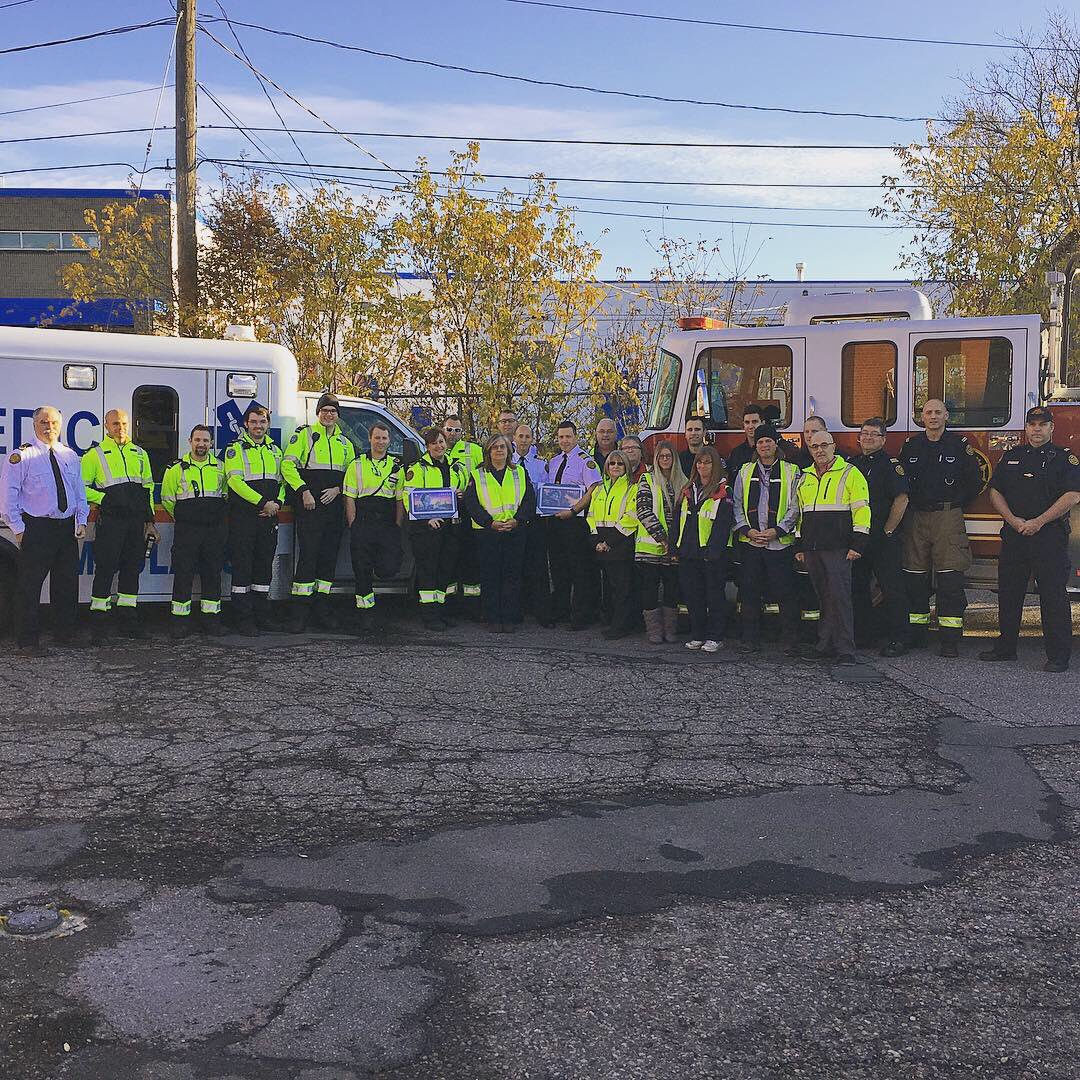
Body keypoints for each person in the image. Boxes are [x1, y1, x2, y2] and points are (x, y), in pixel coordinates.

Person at [980, 406, 1080, 672]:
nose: (1036, 429)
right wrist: (1013, 521)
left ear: (1051, 428)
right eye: (1032, 424)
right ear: (1026, 428)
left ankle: (1058, 656)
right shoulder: (1012, 456)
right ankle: (1005, 648)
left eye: (1042, 424)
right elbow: (995, 492)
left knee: (1053, 596)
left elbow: (1072, 495)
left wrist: (1039, 522)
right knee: (1009, 593)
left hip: (1049, 535)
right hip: (1016, 534)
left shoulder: (1064, 459)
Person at [2, 405, 88, 656]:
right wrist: (18, 529)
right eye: (44, 423)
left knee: (66, 584)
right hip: (37, 528)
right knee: (29, 587)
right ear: (34, 425)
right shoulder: (21, 456)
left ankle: (65, 634)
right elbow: (8, 497)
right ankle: (28, 642)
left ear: (60, 425)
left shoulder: (69, 455)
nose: (49, 427)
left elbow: (78, 491)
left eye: (53, 423)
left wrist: (80, 520)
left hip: (65, 528)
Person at [900, 398, 983, 657]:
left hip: (947, 516)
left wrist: (956, 503)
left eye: (938, 412)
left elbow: (974, 481)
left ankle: (950, 640)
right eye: (928, 413)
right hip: (916, 517)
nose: (933, 416)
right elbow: (901, 481)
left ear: (947, 416)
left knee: (950, 579)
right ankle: (917, 635)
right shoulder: (911, 446)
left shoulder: (959, 446)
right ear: (921, 417)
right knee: (914, 578)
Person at [794, 428, 871, 665]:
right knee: (823, 598)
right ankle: (824, 644)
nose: (820, 450)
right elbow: (800, 515)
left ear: (833, 446)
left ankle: (846, 649)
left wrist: (858, 543)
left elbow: (862, 510)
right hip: (812, 549)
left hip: (839, 547)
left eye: (824, 445)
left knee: (840, 598)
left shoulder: (851, 473)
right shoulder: (805, 477)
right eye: (814, 447)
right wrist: (799, 545)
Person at [282, 392, 357, 632]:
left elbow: (353, 476)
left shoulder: (345, 443)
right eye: (324, 410)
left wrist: (338, 489)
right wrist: (303, 490)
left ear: (338, 415)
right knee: (308, 558)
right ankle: (299, 614)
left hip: (334, 509)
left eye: (333, 411)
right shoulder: (305, 435)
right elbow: (287, 465)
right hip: (310, 507)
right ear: (318, 413)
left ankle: (322, 609)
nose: (328, 414)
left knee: (328, 560)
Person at [81, 407, 157, 638]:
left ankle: (128, 622)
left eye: (124, 424)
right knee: (105, 570)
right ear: (106, 426)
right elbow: (81, 489)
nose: (120, 428)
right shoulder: (94, 455)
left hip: (135, 523)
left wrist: (150, 521)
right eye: (115, 424)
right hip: (111, 522)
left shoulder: (140, 454)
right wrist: (105, 499)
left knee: (131, 571)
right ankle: (99, 625)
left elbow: (148, 488)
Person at [732, 425, 800, 651]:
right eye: (760, 442)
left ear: (776, 444)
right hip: (752, 543)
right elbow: (737, 504)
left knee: (785, 593)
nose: (764, 445)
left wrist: (777, 530)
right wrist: (747, 530)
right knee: (750, 593)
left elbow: (795, 506)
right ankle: (750, 639)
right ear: (756, 445)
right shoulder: (745, 471)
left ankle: (789, 640)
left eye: (769, 441)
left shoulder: (791, 471)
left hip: (778, 543)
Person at [849, 417, 910, 656]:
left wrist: (888, 530)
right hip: (858, 538)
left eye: (874, 434)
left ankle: (899, 639)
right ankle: (863, 635)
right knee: (858, 587)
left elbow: (901, 498)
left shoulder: (891, 465)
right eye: (864, 433)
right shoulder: (852, 465)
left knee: (891, 588)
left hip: (882, 536)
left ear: (883, 440)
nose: (868, 438)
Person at [224, 402, 285, 636]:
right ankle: (243, 618)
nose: (258, 426)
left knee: (263, 568)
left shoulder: (275, 451)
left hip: (268, 518)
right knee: (242, 569)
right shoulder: (235, 450)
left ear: (268, 424)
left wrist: (276, 504)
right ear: (246, 424)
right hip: (244, 518)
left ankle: (262, 615)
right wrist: (263, 503)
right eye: (253, 422)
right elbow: (235, 482)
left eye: (262, 422)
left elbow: (281, 482)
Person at [465, 434, 536, 632]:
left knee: (512, 576)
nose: (499, 450)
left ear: (508, 451)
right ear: (488, 451)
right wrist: (490, 523)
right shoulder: (477, 474)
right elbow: (471, 503)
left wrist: (518, 521)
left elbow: (530, 500)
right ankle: (493, 618)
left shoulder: (520, 472)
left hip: (514, 531)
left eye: (502, 447)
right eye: (494, 447)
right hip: (488, 533)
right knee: (490, 576)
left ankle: (510, 618)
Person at [161, 425, 227, 638]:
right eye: (197, 440)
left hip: (213, 531)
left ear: (211, 443)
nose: (201, 444)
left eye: (206, 441)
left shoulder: (220, 467)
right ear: (190, 441)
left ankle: (211, 622)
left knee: (212, 574)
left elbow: (225, 496)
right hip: (187, 531)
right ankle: (179, 623)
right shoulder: (175, 469)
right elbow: (167, 499)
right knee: (183, 575)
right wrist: (186, 517)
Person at [402, 427, 469, 627]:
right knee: (428, 571)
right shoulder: (418, 468)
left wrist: (461, 494)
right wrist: (426, 519)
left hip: (451, 527)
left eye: (441, 442)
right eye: (434, 443)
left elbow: (465, 491)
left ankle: (440, 611)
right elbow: (409, 498)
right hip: (426, 529)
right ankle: (429, 615)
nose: (439, 446)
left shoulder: (457, 467)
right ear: (427, 446)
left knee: (445, 570)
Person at [342, 421, 404, 634]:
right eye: (376, 437)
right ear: (369, 439)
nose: (380, 441)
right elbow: (349, 497)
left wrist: (397, 525)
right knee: (362, 570)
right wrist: (353, 524)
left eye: (384, 438)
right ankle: (365, 614)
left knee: (389, 568)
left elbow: (399, 501)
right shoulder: (356, 464)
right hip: (363, 523)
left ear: (389, 441)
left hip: (387, 524)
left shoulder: (397, 466)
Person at [676, 446, 733, 653]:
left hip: (712, 554)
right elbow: (679, 520)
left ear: (715, 464)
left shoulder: (723, 490)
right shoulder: (688, 489)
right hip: (689, 552)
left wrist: (713, 550)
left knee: (714, 596)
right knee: (693, 596)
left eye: (707, 462)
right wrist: (677, 546)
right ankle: (698, 634)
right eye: (699, 462)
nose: (702, 466)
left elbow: (724, 523)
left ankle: (715, 636)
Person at [546, 420, 602, 629]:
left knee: (579, 570)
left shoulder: (585, 461)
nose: (564, 440)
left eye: (568, 436)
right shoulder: (553, 461)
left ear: (576, 437)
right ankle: (561, 610)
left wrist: (574, 510)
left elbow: (594, 489)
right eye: (561, 437)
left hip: (575, 522)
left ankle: (581, 616)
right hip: (555, 522)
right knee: (559, 569)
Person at [635, 439, 687, 645]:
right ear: (655, 459)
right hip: (650, 547)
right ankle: (654, 631)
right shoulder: (647, 479)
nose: (665, 459)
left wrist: (673, 543)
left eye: (668, 456)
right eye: (661, 456)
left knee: (672, 590)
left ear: (674, 458)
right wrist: (663, 538)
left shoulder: (684, 482)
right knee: (649, 590)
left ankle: (670, 630)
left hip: (674, 549)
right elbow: (643, 510)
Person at [586, 450, 638, 639]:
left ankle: (621, 626)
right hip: (600, 542)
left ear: (626, 467)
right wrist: (597, 541)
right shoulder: (599, 489)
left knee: (622, 588)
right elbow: (590, 516)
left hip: (620, 543)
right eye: (612, 463)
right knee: (608, 587)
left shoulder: (633, 488)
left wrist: (609, 541)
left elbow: (631, 518)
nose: (615, 467)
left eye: (620, 464)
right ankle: (610, 620)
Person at [512, 422, 553, 627]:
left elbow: (546, 492)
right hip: (513, 519)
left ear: (532, 440)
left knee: (538, 567)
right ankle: (516, 611)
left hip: (536, 520)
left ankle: (543, 613)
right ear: (514, 438)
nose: (524, 440)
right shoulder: (507, 461)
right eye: (520, 436)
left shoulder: (540, 465)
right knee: (515, 565)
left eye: (527, 437)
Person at [442, 414, 484, 609]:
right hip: (444, 511)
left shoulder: (474, 450)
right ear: (443, 429)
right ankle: (450, 606)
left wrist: (468, 491)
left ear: (462, 432)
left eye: (457, 430)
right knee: (448, 558)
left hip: (468, 508)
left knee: (471, 557)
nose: (452, 433)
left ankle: (472, 605)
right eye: (449, 429)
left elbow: (484, 477)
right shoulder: (436, 449)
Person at [725, 404, 764, 476]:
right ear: (743, 424)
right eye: (747, 422)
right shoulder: (736, 453)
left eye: (754, 422)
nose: (750, 426)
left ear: (763, 423)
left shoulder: (769, 450)